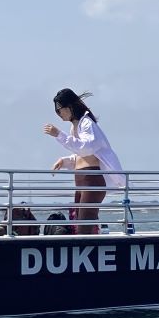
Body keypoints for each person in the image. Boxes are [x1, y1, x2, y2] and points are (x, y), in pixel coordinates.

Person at [43, 88, 124, 235]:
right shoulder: (75, 126)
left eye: (59, 110)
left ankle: (87, 247)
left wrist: (59, 135)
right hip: (81, 179)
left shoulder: (86, 123)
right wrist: (65, 161)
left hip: (92, 178)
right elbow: (80, 154)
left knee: (84, 224)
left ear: (70, 106)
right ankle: (88, 245)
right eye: (56, 111)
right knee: (78, 221)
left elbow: (87, 148)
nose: (58, 114)